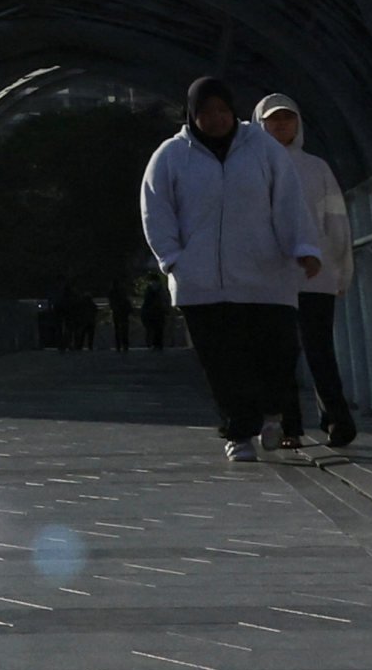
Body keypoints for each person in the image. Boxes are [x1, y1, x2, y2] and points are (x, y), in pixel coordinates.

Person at [138, 77, 325, 463]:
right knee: (221, 362)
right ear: (192, 114)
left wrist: (303, 248)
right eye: (207, 113)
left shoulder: (263, 149)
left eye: (223, 110)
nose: (216, 119)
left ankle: (272, 413)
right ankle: (238, 433)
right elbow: (155, 210)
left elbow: (288, 201)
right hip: (203, 283)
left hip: (266, 276)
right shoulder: (171, 155)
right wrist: (174, 259)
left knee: (276, 352)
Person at [259, 95, 359, 449]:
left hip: (316, 277)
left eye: (288, 118)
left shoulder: (317, 168)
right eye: (274, 120)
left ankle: (337, 420)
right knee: (281, 354)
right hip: (271, 278)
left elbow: (337, 225)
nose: (282, 125)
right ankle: (290, 427)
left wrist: (340, 272)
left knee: (319, 351)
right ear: (261, 124)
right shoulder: (253, 167)